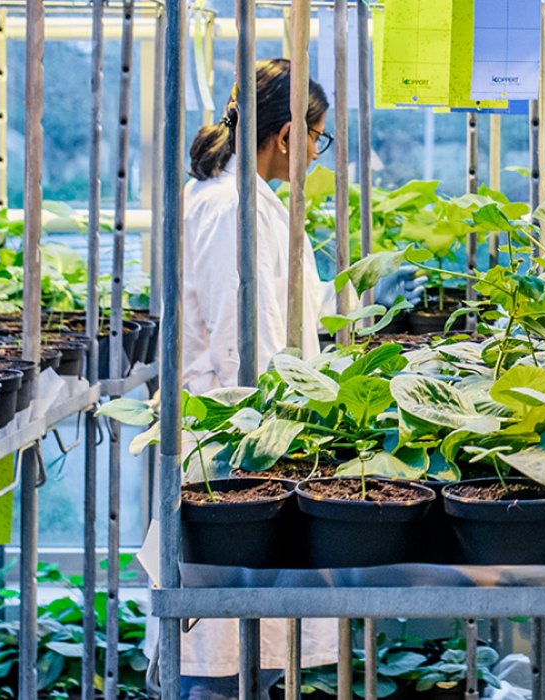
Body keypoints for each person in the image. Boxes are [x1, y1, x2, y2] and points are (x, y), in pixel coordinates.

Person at [170, 59, 422, 699]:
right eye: (317, 136)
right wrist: (288, 430)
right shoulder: (235, 211)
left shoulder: (244, 201)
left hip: (249, 440)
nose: (317, 151)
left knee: (248, 633)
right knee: (226, 646)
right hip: (236, 444)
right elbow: (243, 347)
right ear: (287, 135)